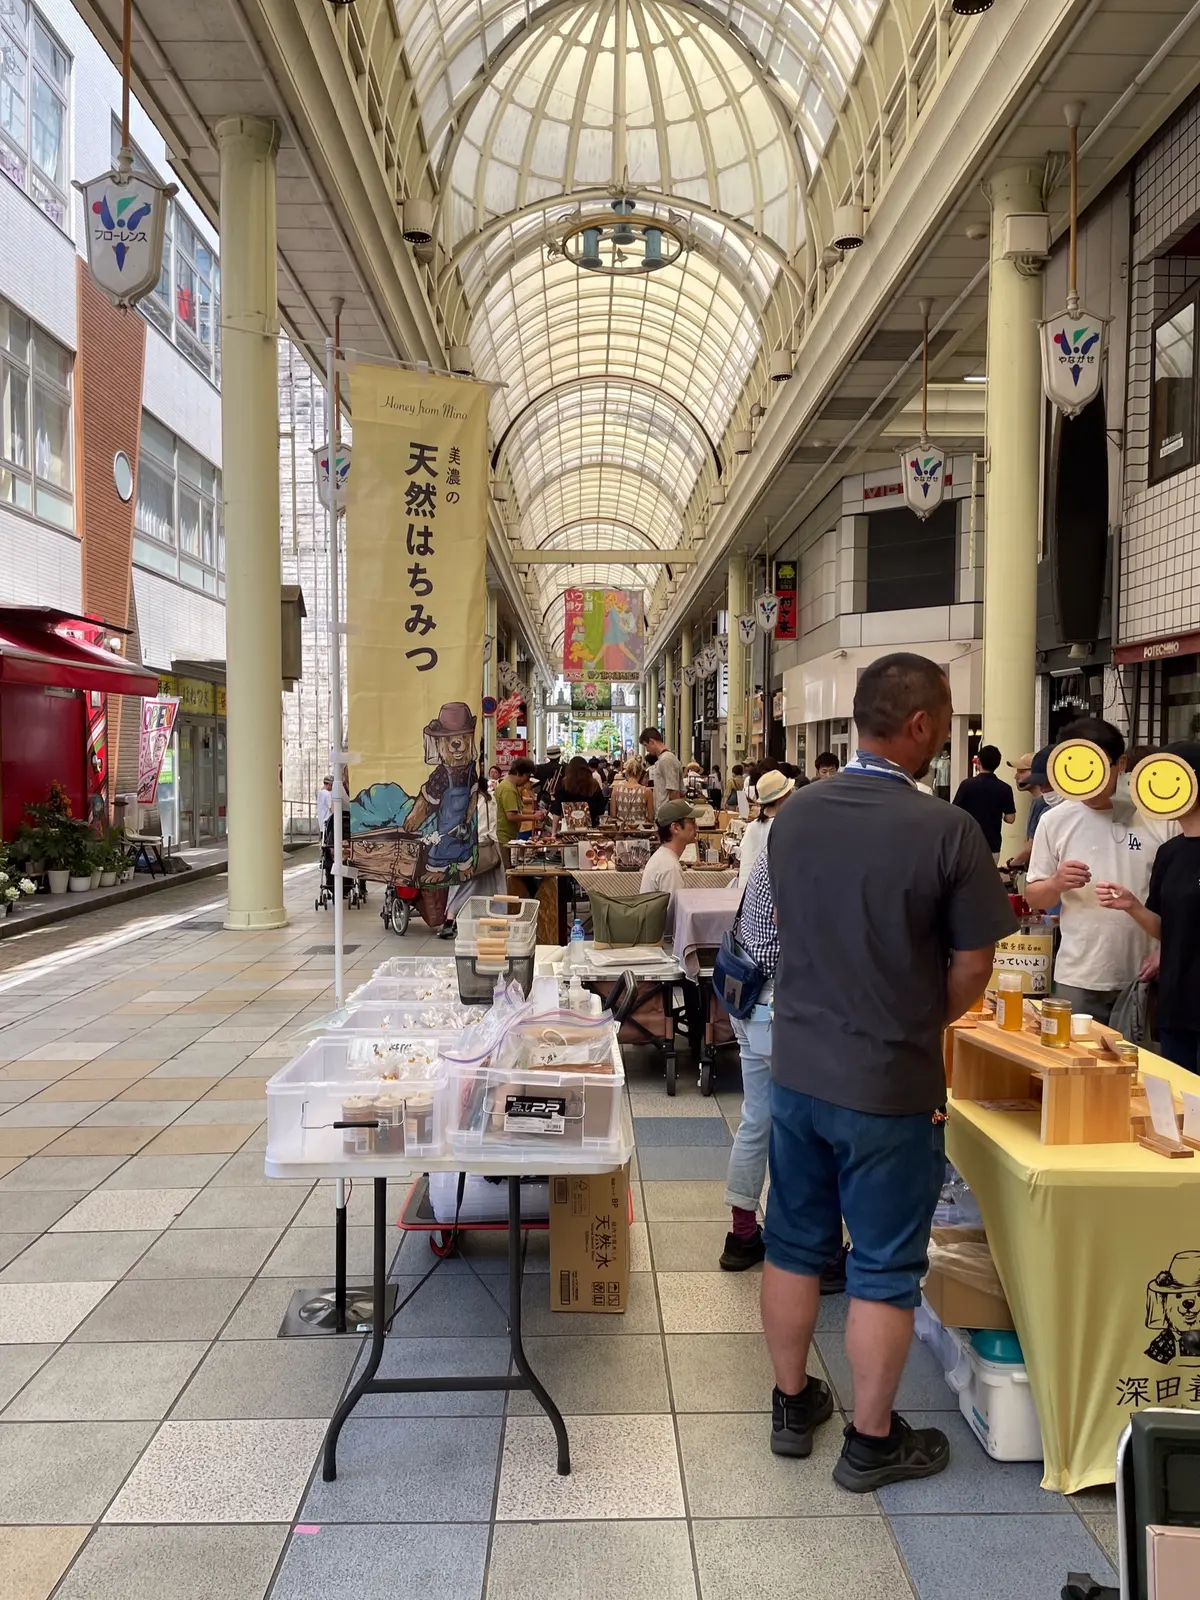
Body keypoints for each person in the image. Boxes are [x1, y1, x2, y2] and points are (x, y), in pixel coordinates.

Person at [763, 652, 1015, 1490]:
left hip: (795, 1070)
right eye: (944, 723)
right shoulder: (947, 832)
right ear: (919, 727)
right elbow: (975, 968)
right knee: (881, 1264)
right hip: (889, 1084)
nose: (946, 738)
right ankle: (872, 1442)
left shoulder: (792, 815)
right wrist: (920, 1019)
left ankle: (792, 1405)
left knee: (794, 1243)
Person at [1026, 718, 1172, 1025]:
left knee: (1140, 1070)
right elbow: (1035, 896)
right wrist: (1056, 882)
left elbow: (1177, 898)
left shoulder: (1156, 816)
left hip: (1144, 974)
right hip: (1077, 976)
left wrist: (1165, 951)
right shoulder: (1055, 821)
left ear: (1120, 764)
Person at [1096, 741, 1200, 1073]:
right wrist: (1132, 906)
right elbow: (1166, 927)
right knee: (1180, 1102)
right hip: (1176, 1001)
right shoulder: (1169, 852)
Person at [952, 744, 1016, 859]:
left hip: (969, 843)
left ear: (978, 762)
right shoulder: (1005, 788)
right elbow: (1010, 819)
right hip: (993, 844)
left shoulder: (967, 785)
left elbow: (955, 812)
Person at [738, 768, 793, 889]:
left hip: (750, 894)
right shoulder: (785, 826)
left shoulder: (753, 826)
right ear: (781, 797)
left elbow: (745, 865)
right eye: (789, 792)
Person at [1004, 746, 1057, 872]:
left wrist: (1011, 865)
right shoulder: (1037, 802)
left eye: (1022, 771)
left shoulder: (1044, 805)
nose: (1016, 777)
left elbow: (1031, 846)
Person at [639, 800, 698, 894]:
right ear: (675, 828)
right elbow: (675, 908)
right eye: (692, 821)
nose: (696, 826)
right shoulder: (670, 867)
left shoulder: (664, 858)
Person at [553, 755, 606, 826]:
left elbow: (557, 810)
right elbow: (601, 808)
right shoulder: (594, 784)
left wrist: (553, 832)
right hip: (591, 827)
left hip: (569, 826)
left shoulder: (564, 784)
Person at [639, 727, 683, 813]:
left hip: (667, 815)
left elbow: (673, 792)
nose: (647, 750)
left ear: (652, 741)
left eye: (645, 745)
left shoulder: (665, 760)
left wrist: (676, 817)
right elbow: (681, 791)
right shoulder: (668, 758)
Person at [609, 758, 655, 826]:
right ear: (640, 773)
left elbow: (613, 815)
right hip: (640, 830)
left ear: (626, 773)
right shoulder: (647, 791)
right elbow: (650, 818)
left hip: (621, 829)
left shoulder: (616, 789)